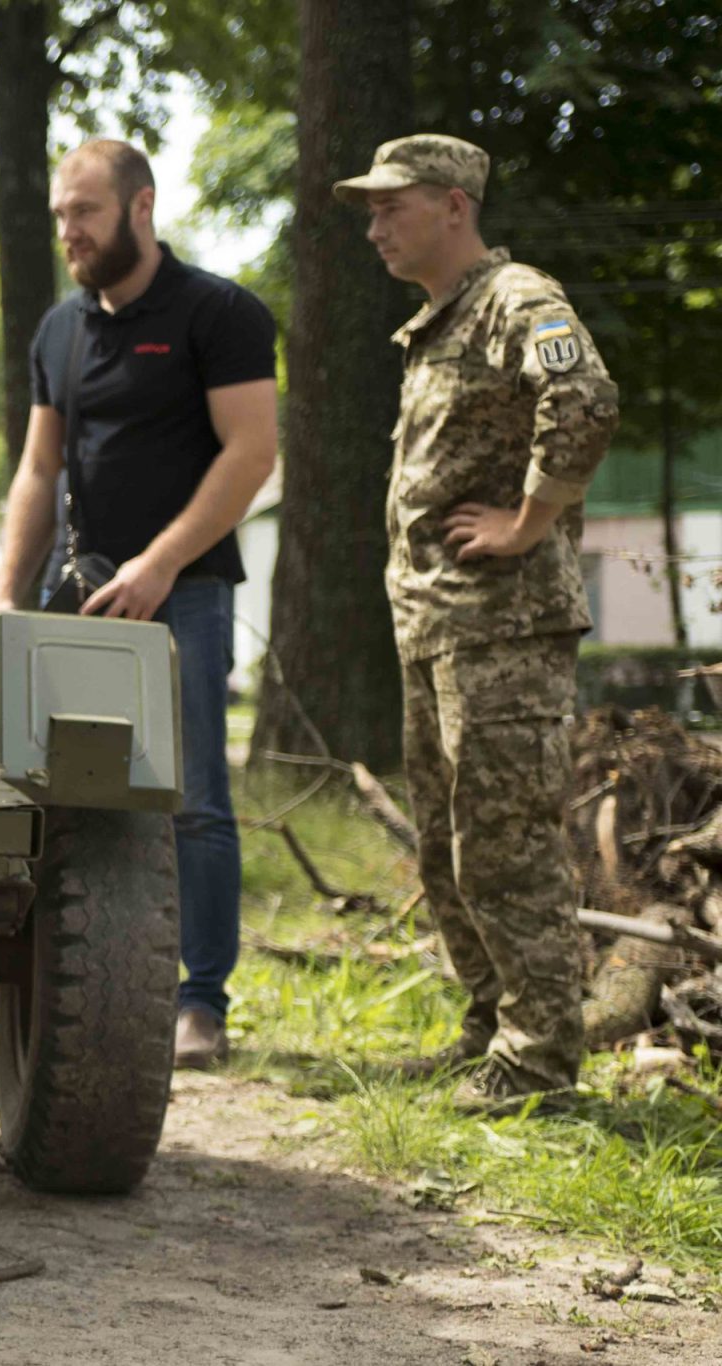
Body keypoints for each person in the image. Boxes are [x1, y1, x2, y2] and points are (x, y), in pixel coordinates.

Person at [334, 134, 619, 1112]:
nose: (372, 227)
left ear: (453, 205)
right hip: (437, 630)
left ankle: (537, 1062)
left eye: (390, 206)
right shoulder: (436, 322)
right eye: (367, 210)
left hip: (503, 631)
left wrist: (526, 520)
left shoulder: (514, 300)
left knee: (504, 846)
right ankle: (488, 1027)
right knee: (446, 850)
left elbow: (581, 396)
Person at [0, 140, 280, 1070]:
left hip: (183, 596)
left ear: (141, 208)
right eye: (63, 215)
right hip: (75, 596)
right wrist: (5, 598)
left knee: (190, 800)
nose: (69, 231)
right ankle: (52, 983)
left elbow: (250, 454)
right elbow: (40, 468)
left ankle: (201, 1005)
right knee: (37, 789)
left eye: (87, 213)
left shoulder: (219, 314)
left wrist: (160, 564)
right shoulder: (60, 332)